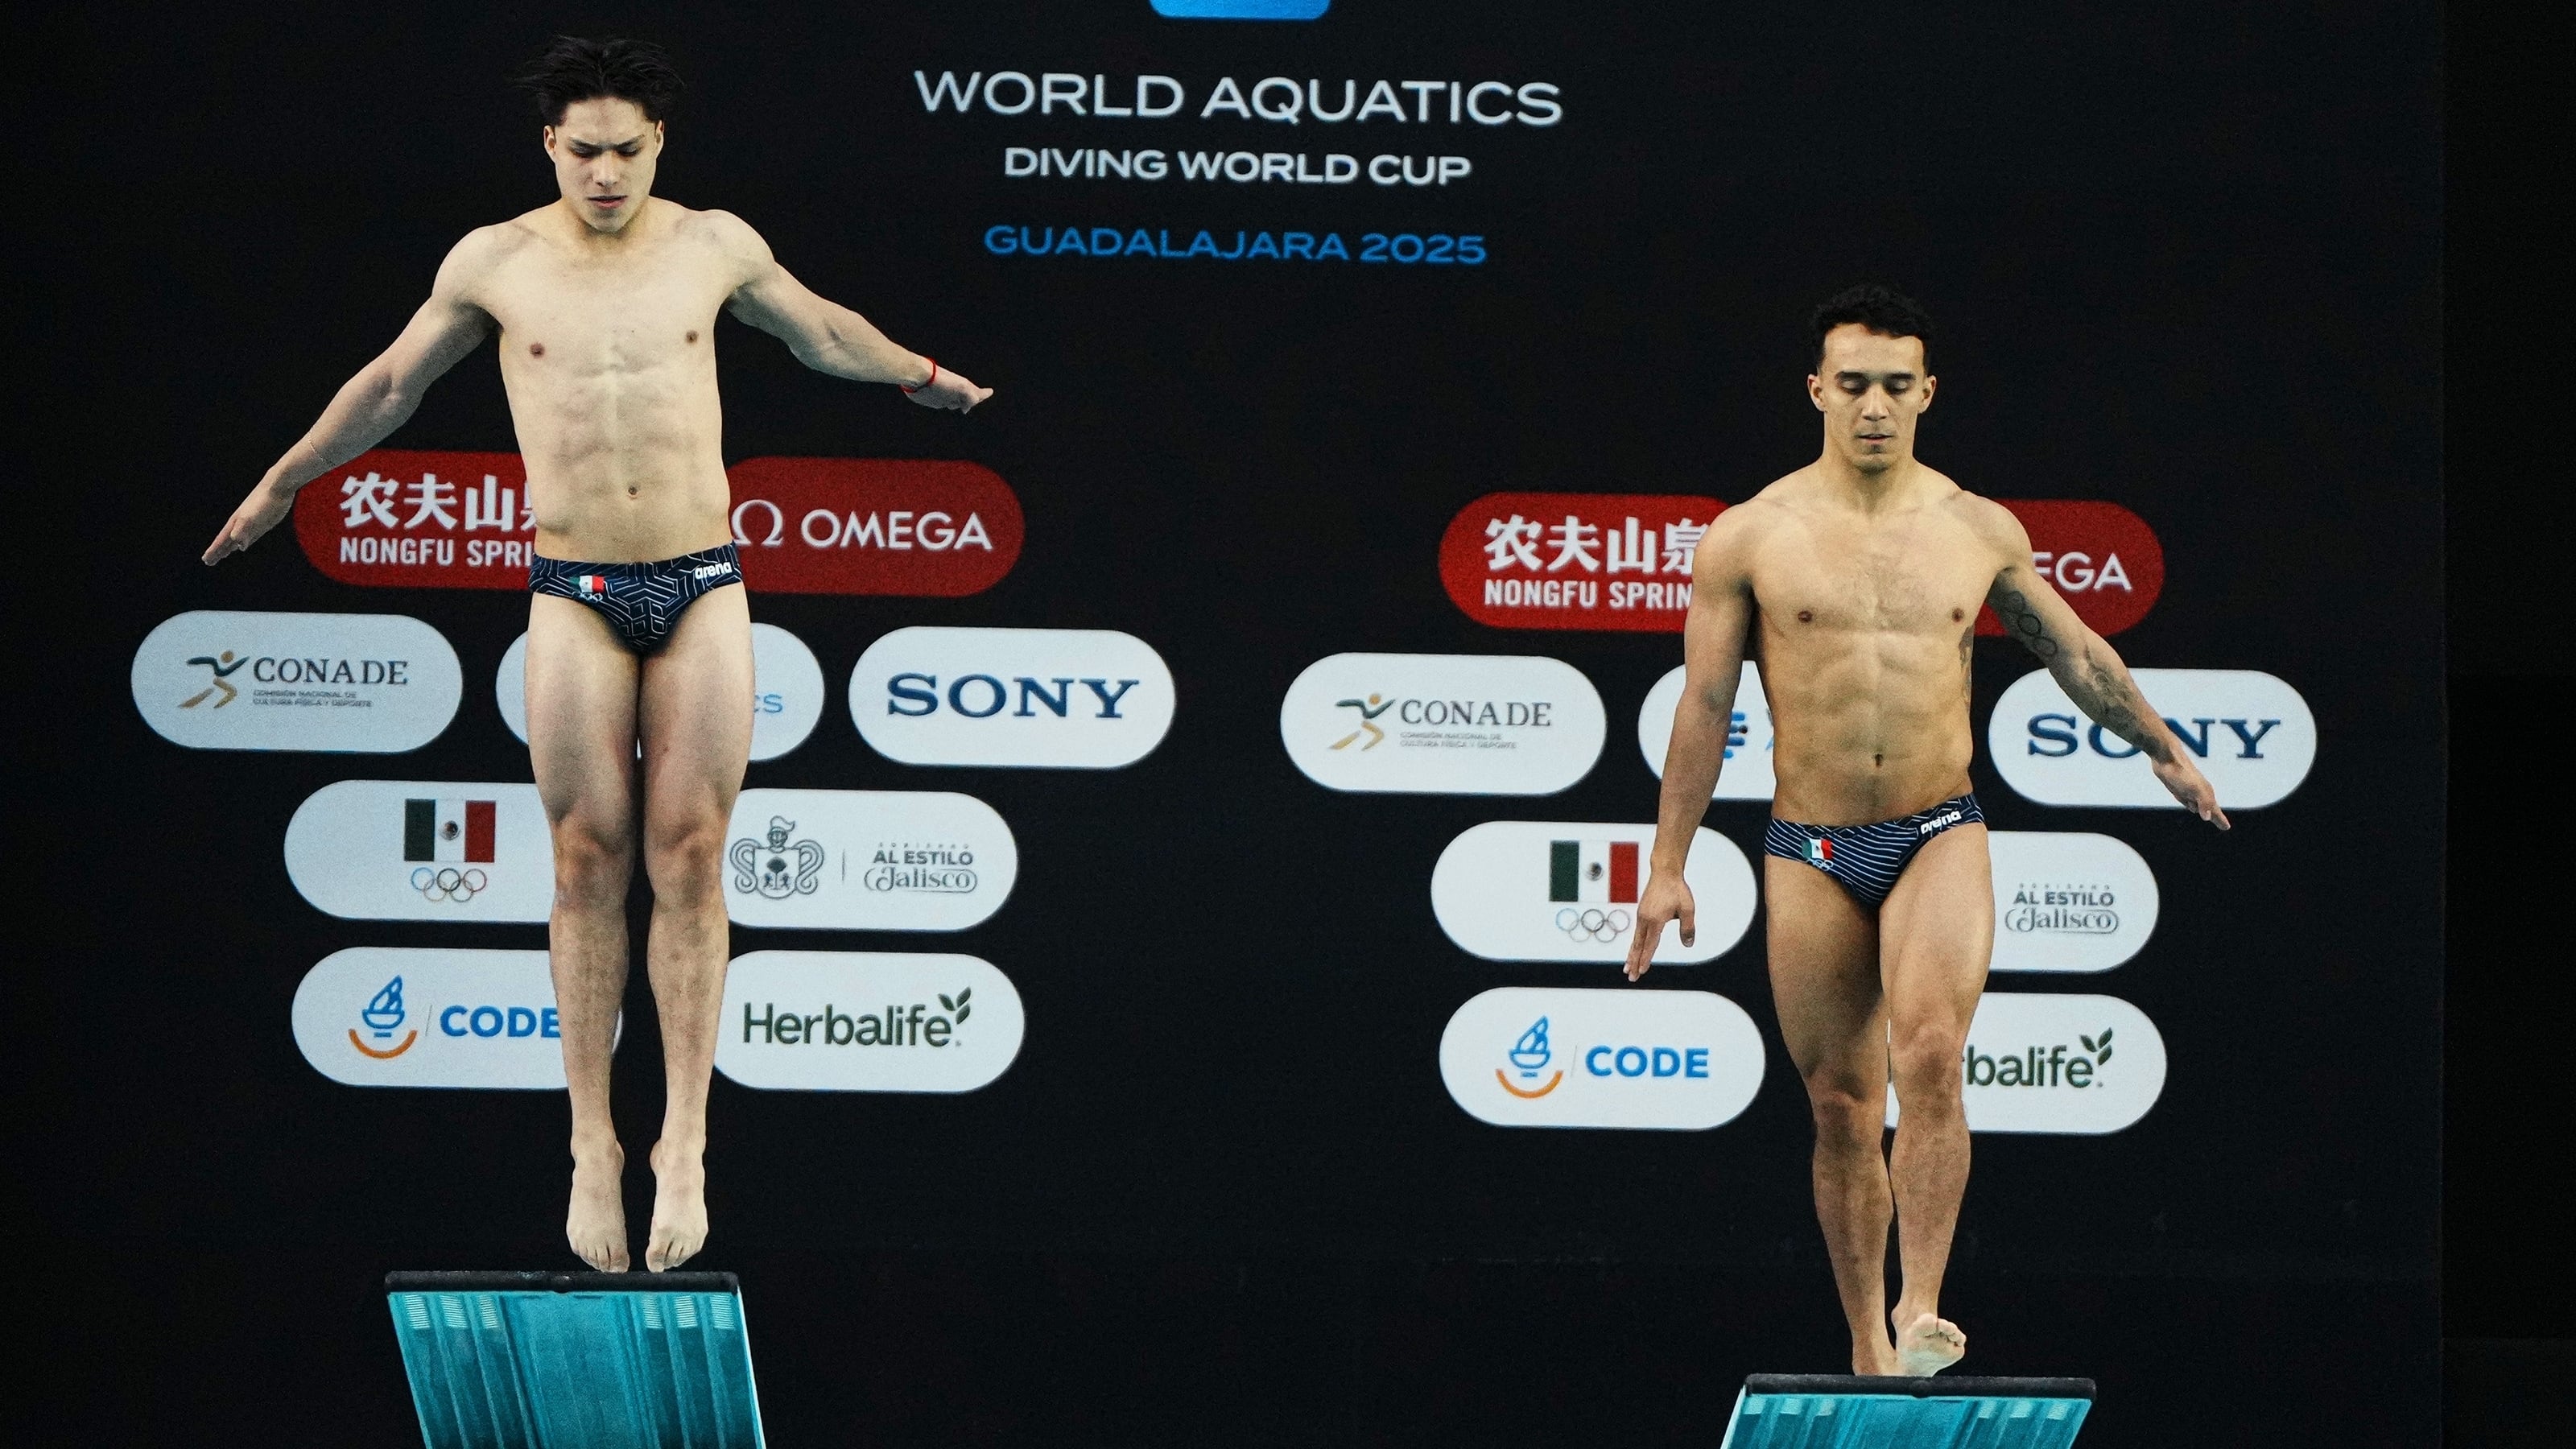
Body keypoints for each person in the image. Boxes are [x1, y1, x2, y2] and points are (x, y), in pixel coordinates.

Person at [203, 37, 994, 1272]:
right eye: (584, 151)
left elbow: (821, 332)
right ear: (549, 148)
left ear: (660, 145)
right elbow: (392, 385)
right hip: (571, 585)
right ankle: (593, 1147)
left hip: (702, 579)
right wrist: (279, 482)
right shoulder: (495, 262)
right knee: (585, 857)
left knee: (690, 850)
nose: (607, 173)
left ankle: (681, 1142)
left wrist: (924, 378)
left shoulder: (712, 243)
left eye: (628, 150)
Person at [1621, 285, 2224, 1376]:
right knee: (1843, 1106)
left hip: (1938, 829)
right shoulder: (1749, 537)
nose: (1874, 407)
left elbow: (2075, 654)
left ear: (1928, 394)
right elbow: (1704, 707)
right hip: (1810, 847)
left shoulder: (1976, 527)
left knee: (1934, 1055)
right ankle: (1865, 1345)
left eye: (1898, 386)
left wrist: (2159, 744)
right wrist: (1667, 866)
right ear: (1817, 389)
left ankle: (1921, 1312)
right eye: (1853, 384)